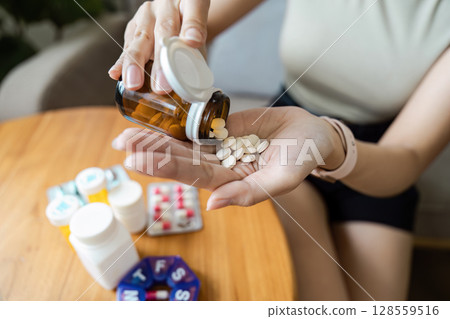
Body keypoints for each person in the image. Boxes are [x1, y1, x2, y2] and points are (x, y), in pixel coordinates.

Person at [109, 0, 450, 300]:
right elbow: (192, 35)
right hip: (277, 137)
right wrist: (171, 33)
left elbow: (409, 156)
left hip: (377, 163)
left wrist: (330, 141)